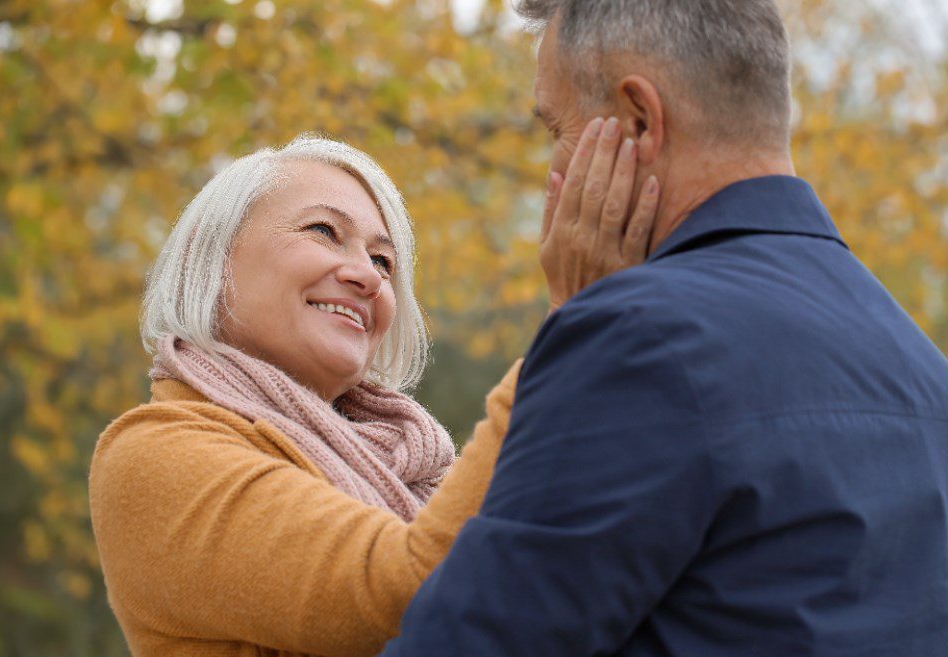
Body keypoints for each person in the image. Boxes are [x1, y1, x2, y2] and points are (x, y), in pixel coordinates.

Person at [380, 2, 948, 656]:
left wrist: (577, 321)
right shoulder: (923, 369)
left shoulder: (637, 339)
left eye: (554, 127)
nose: (553, 169)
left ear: (638, 121)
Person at [88, 132, 659, 656]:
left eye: (383, 261)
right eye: (323, 231)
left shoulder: (414, 465)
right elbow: (415, 597)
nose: (368, 277)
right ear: (208, 259)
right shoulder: (152, 454)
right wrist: (573, 322)